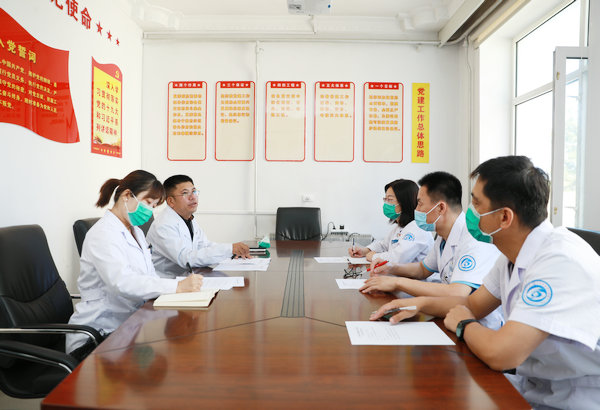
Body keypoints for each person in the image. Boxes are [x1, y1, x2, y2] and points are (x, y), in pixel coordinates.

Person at [370, 156, 600, 409]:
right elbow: (472, 304)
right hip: (535, 386)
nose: (469, 211)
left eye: (477, 203)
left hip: (577, 398)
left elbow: (500, 353)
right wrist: (419, 304)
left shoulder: (559, 261)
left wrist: (463, 324)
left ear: (505, 217)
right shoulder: (512, 254)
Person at [67, 170, 203, 359]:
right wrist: (177, 286)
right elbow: (122, 282)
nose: (150, 211)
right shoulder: (103, 234)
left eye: (154, 206)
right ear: (127, 195)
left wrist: (180, 293)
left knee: (177, 350)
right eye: (148, 202)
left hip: (129, 325)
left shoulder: (136, 232)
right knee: (164, 364)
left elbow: (149, 276)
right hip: (98, 335)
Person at [360, 171, 503, 329]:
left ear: (440, 208)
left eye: (420, 204)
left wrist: (397, 282)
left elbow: (457, 292)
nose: (416, 209)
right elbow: (422, 269)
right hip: (451, 317)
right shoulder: (443, 235)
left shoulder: (473, 240)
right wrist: (391, 268)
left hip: (480, 326)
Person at [146, 174, 250, 279]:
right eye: (185, 193)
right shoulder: (163, 225)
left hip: (188, 278)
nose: (192, 197)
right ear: (171, 201)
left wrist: (232, 251)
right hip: (167, 281)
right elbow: (185, 259)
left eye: (194, 191)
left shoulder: (187, 218)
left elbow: (204, 245)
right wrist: (228, 249)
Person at [348, 179, 433, 264]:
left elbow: (399, 258)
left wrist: (374, 256)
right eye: (385, 199)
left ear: (405, 202)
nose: (386, 203)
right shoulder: (400, 227)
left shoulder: (417, 229)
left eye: (390, 199)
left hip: (413, 273)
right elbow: (383, 245)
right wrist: (364, 251)